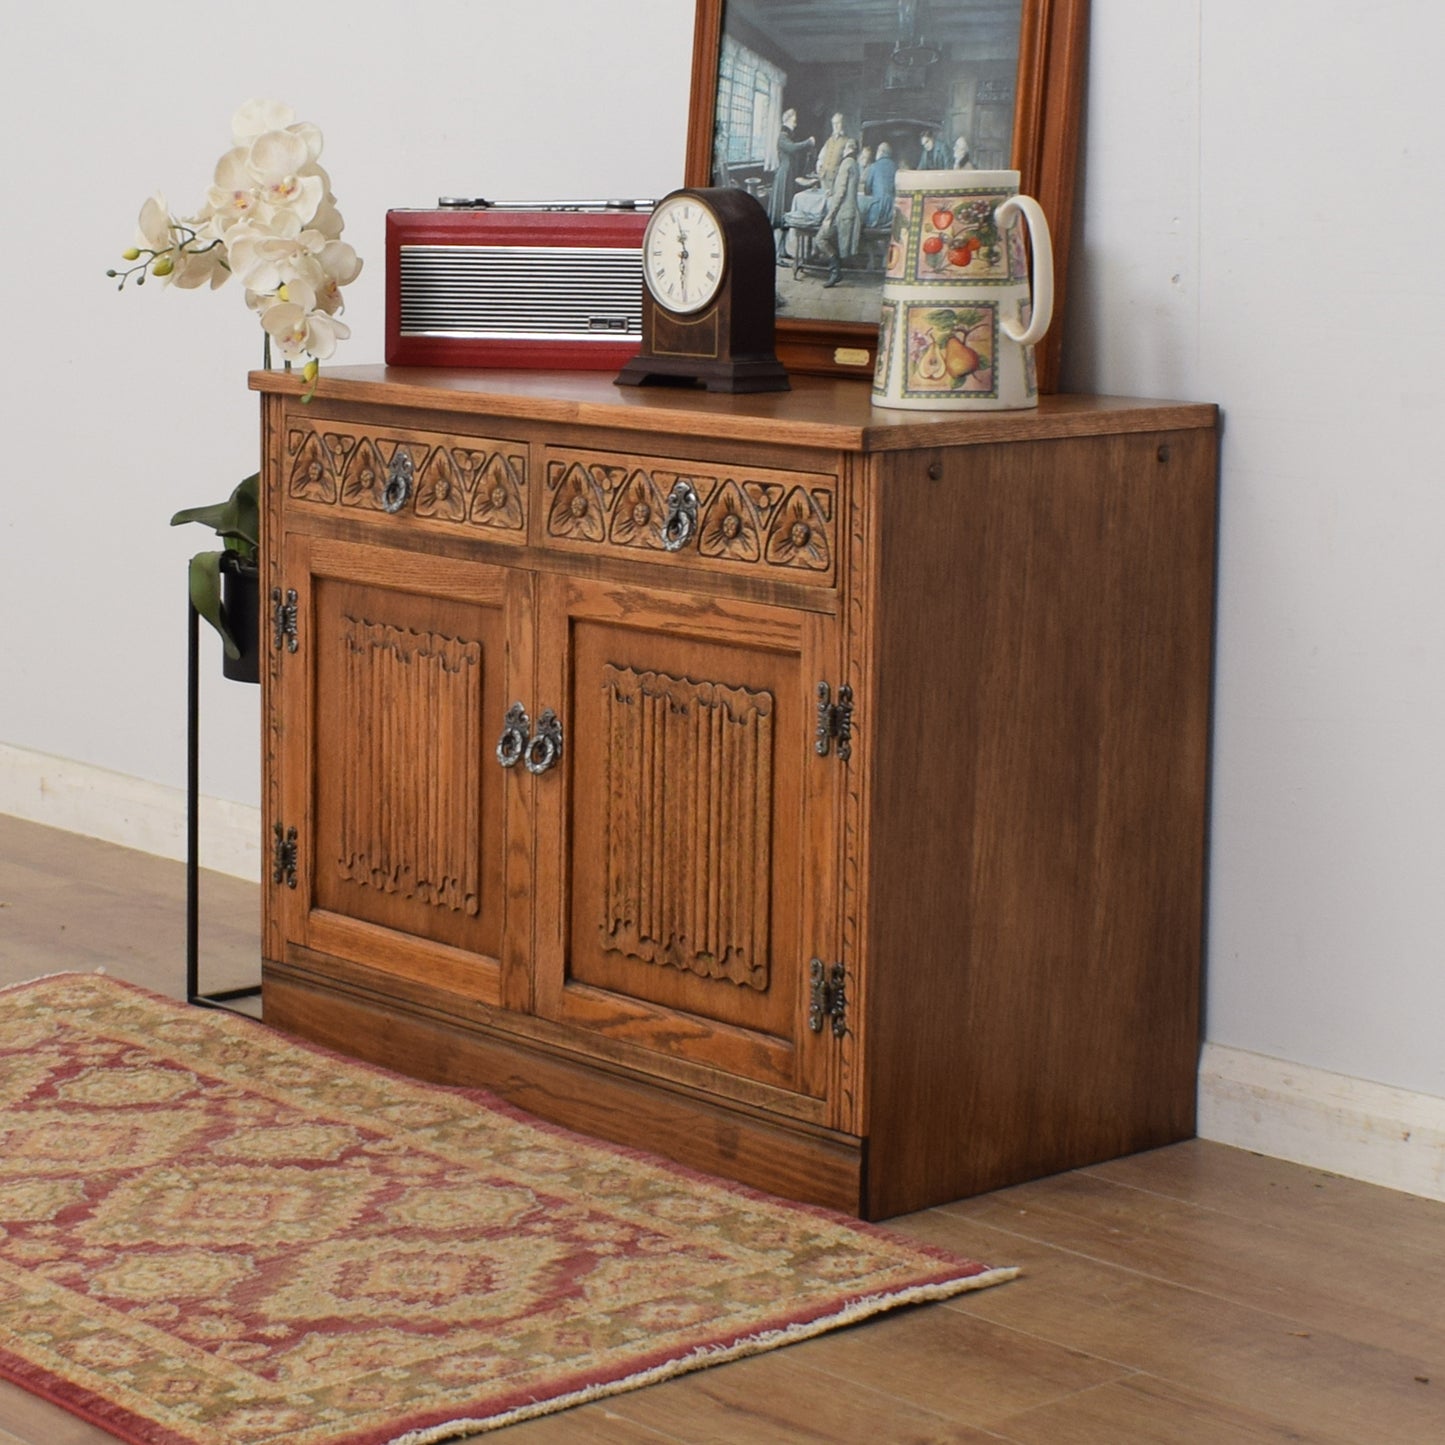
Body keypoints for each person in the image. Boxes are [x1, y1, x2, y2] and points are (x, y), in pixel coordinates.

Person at [767, 108, 815, 261]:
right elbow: (793, 148)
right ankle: (775, 255)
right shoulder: (783, 137)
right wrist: (808, 142)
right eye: (794, 118)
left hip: (788, 178)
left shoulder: (788, 136)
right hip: (783, 178)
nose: (796, 121)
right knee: (780, 215)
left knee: (786, 215)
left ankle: (781, 251)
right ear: (787, 119)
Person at [817, 137, 861, 288]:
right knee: (830, 240)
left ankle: (836, 272)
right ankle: (836, 271)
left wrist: (829, 217)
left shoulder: (846, 164)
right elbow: (843, 190)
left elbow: (841, 193)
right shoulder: (854, 163)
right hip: (849, 212)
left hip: (843, 214)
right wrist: (832, 192)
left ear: (848, 149)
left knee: (820, 239)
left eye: (844, 147)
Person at [863, 140, 897, 228]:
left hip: (877, 210)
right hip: (892, 210)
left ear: (881, 152)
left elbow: (867, 188)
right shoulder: (895, 167)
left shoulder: (874, 166)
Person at [817, 112, 850, 190]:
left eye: (838, 123)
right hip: (824, 177)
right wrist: (819, 167)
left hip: (836, 179)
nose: (835, 126)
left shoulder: (847, 141)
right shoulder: (829, 140)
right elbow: (821, 157)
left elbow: (848, 161)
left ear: (843, 124)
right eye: (833, 123)